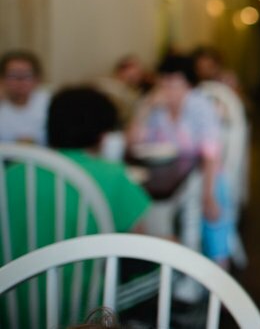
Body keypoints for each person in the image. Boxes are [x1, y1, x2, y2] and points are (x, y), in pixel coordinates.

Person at [0, 86, 151, 328]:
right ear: (103, 134)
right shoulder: (111, 175)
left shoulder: (13, 173)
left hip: (10, 307)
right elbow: (140, 242)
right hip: (81, 314)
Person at [127, 54, 233, 266]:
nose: (168, 90)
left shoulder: (200, 105)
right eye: (164, 83)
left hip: (204, 172)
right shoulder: (156, 108)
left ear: (188, 85)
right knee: (137, 202)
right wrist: (146, 106)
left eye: (175, 84)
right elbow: (132, 142)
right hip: (167, 175)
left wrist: (208, 193)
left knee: (213, 205)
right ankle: (159, 260)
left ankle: (220, 265)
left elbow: (211, 153)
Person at [0, 49, 51, 145]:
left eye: (27, 75)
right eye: (12, 75)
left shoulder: (50, 103)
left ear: (37, 79)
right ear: (2, 79)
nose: (20, 80)